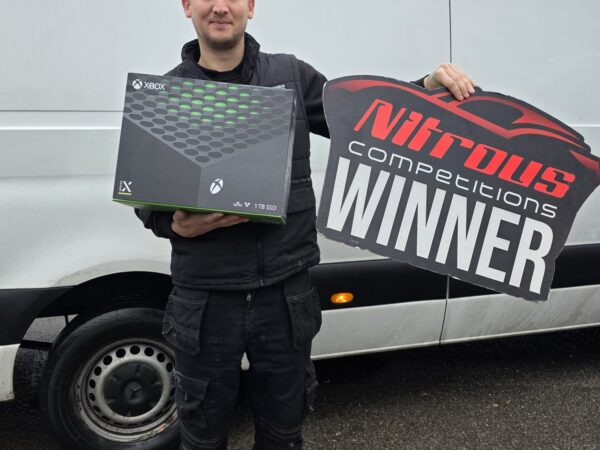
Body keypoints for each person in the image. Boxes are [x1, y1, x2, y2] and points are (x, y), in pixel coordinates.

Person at [135, 1, 477, 448]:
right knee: (202, 439)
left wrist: (425, 88)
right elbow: (145, 193)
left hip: (284, 297)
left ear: (251, 6)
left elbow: (362, 117)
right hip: (205, 301)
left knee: (284, 436)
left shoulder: (291, 76)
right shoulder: (166, 96)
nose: (220, 7)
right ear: (186, 6)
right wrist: (173, 224)